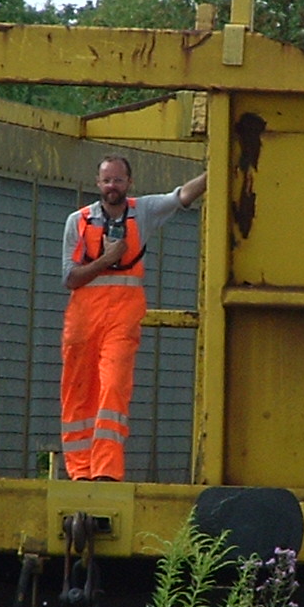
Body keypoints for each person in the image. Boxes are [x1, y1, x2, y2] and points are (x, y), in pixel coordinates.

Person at [60, 155, 207, 480]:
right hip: (82, 323)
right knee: (78, 394)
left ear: (129, 183)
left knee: (113, 389)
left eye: (118, 180)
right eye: (107, 180)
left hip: (121, 321)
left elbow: (181, 196)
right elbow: (69, 277)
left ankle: (105, 472)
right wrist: (106, 260)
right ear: (98, 183)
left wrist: (216, 171)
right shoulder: (79, 221)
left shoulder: (142, 212)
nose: (112, 186)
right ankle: (79, 472)